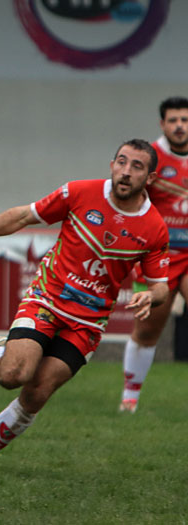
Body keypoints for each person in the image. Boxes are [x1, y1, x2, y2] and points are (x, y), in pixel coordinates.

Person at [0, 139, 169, 472]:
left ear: (150, 179)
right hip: (47, 300)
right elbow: (24, 215)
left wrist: (149, 296)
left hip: (87, 324)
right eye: (121, 162)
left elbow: (161, 287)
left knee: (38, 391)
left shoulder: (153, 228)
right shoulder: (79, 193)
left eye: (136, 166)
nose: (126, 172)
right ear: (111, 164)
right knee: (13, 375)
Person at [117, 97, 188, 412]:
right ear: (162, 125)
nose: (180, 126)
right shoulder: (150, 159)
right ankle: (130, 396)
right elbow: (126, 197)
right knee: (147, 331)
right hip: (159, 256)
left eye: (185, 120)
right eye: (173, 120)